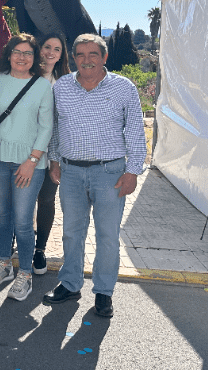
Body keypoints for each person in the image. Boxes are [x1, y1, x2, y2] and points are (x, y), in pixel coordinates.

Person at [43, 33, 146, 318]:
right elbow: (55, 126)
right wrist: (54, 160)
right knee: (71, 233)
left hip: (110, 173)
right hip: (71, 172)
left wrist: (133, 171)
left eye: (93, 54)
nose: (86, 60)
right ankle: (70, 284)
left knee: (107, 235)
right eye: (80, 54)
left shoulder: (123, 88)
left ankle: (103, 292)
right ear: (74, 58)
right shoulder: (62, 86)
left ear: (104, 57)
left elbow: (135, 130)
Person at [0, 34, 53, 304]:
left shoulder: (42, 85)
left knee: (23, 220)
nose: (22, 57)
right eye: (17, 51)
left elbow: (46, 127)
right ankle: (4, 262)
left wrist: (32, 161)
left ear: (35, 58)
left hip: (29, 162)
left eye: (28, 53)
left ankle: (25, 273)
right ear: (8, 54)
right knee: (2, 214)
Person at [32, 33, 71, 275]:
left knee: (46, 199)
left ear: (61, 55)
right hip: (25, 148)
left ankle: (40, 249)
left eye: (57, 49)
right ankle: (19, 239)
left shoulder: (67, 82)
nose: (51, 52)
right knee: (21, 200)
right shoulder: (27, 75)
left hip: (52, 151)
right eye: (47, 47)